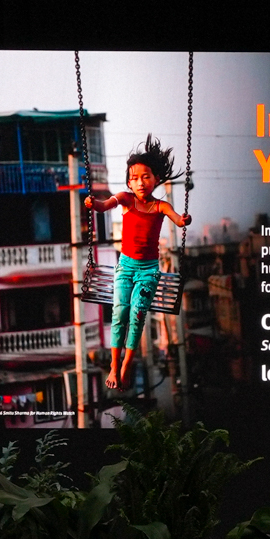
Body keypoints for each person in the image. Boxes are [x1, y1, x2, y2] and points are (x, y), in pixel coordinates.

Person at [82, 135, 190, 390]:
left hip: (148, 271)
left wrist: (183, 220)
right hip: (126, 266)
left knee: (138, 313)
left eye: (146, 177)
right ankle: (114, 365)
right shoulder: (125, 199)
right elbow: (104, 205)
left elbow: (177, 219)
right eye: (135, 178)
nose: (140, 182)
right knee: (120, 312)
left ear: (156, 179)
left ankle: (127, 365)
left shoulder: (160, 206)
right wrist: (93, 203)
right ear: (129, 182)